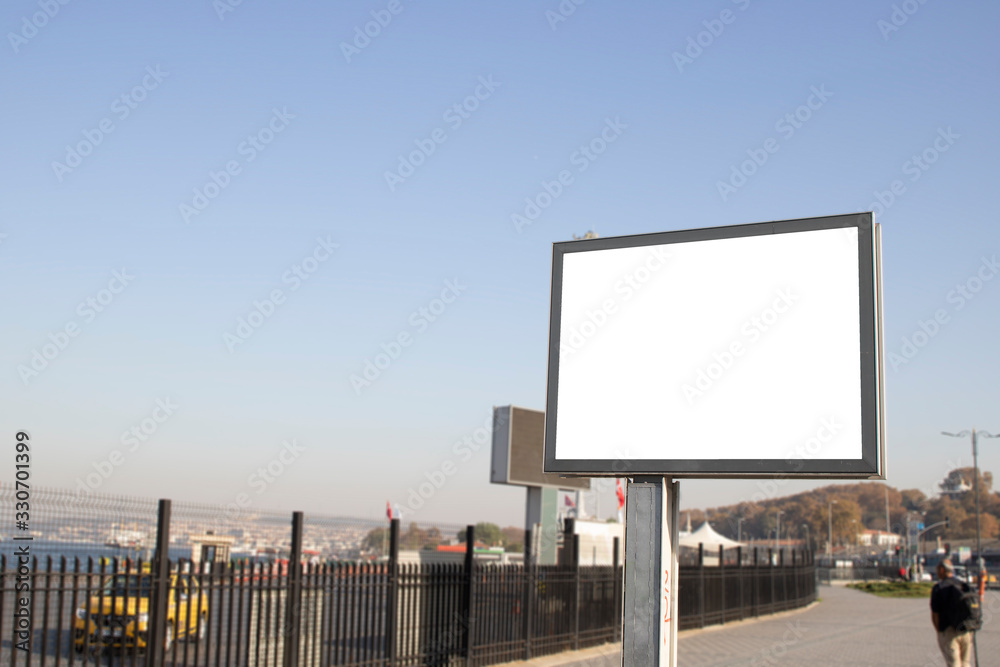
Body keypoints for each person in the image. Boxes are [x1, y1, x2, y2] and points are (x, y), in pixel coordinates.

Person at [930, 559, 973, 667]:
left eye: (937, 570)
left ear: (942, 569)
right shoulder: (963, 585)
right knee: (965, 663)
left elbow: (935, 613)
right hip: (966, 630)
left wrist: (940, 631)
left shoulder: (938, 588)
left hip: (948, 631)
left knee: (954, 664)